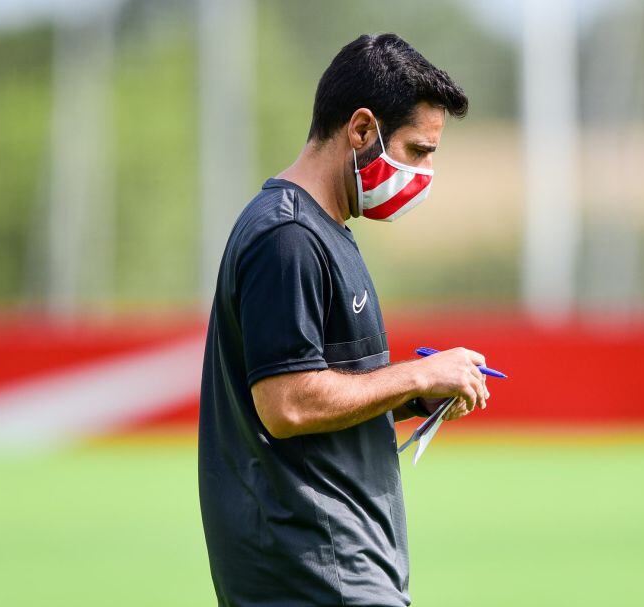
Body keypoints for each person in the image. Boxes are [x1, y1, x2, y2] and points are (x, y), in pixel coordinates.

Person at [198, 33, 491, 607]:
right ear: (361, 130)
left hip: (338, 569)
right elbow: (287, 404)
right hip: (314, 571)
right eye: (418, 150)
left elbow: (326, 390)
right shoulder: (288, 236)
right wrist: (416, 377)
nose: (425, 172)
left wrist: (412, 400)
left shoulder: (323, 229)